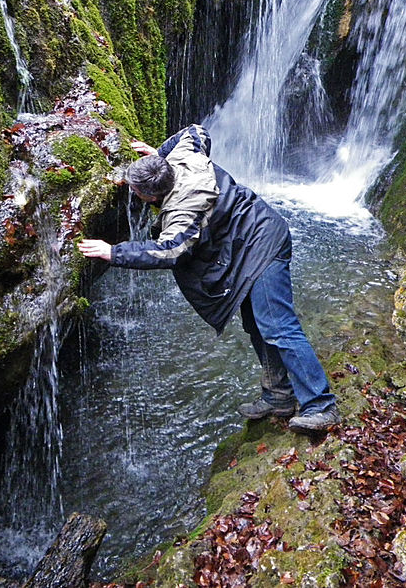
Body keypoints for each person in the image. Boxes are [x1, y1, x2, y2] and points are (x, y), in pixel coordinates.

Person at [77, 124, 340, 433]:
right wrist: (160, 155)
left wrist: (113, 253)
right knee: (257, 325)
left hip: (262, 242)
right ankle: (278, 397)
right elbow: (196, 131)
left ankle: (322, 406)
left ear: (150, 196)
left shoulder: (184, 211)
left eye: (135, 191)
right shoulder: (184, 156)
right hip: (242, 244)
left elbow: (171, 251)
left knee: (278, 326)